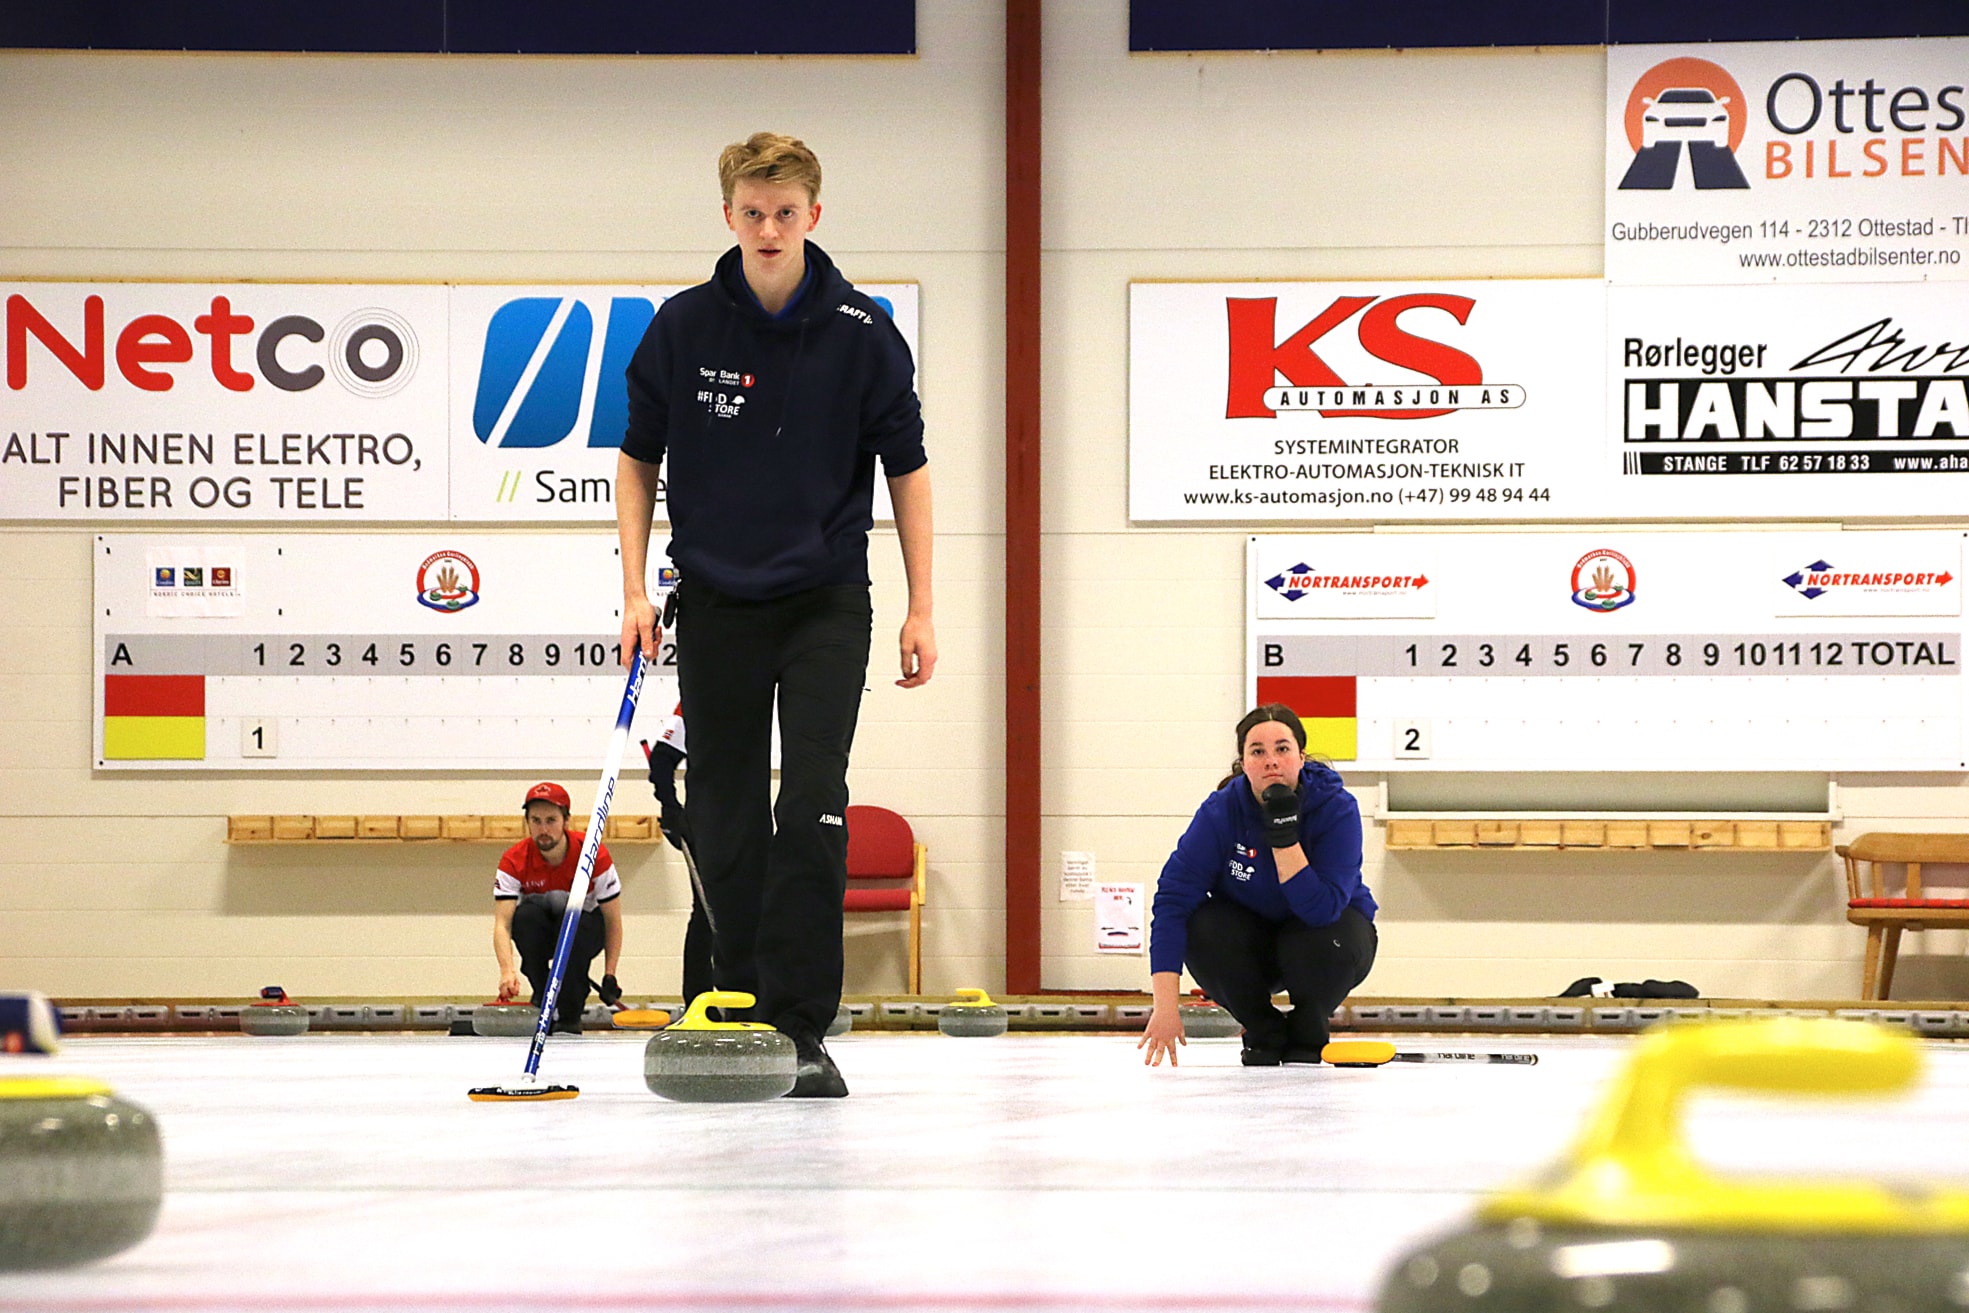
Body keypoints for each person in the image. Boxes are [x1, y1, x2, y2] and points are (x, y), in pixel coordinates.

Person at [615, 131, 935, 1098]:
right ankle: (733, 1001)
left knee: (811, 806)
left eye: (784, 213)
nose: (767, 230)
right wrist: (633, 590)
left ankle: (800, 1028)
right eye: (751, 213)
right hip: (716, 602)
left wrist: (923, 606)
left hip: (825, 600)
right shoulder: (682, 327)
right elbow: (637, 458)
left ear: (813, 215)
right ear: (728, 215)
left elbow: (908, 470)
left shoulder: (863, 331)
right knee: (722, 812)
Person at [1139, 705, 1378, 1068]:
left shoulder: (1336, 808)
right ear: (1244, 762)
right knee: (1202, 926)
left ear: (1301, 756)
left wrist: (1283, 836)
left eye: (1282, 749)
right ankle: (1264, 1030)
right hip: (1253, 946)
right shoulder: (1220, 812)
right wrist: (1166, 1008)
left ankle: (1308, 1028)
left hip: (1324, 940)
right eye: (1257, 751)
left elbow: (1322, 910)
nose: (1271, 761)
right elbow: (1172, 903)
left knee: (1324, 938)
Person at [491, 782, 624, 1035]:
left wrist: (610, 974)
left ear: (566, 821)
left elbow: (613, 921)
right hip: (543, 932)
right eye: (536, 821)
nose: (543, 829)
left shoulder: (593, 855)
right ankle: (543, 995)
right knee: (525, 917)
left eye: (551, 820)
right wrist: (507, 972)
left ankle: (570, 1015)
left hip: (583, 931)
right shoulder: (513, 861)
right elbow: (502, 924)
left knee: (575, 925)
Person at [643, 703, 713, 1004]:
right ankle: (698, 1002)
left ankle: (745, 1000)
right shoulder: (697, 699)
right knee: (706, 912)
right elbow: (662, 759)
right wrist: (670, 807)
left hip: (747, 819)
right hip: (706, 823)